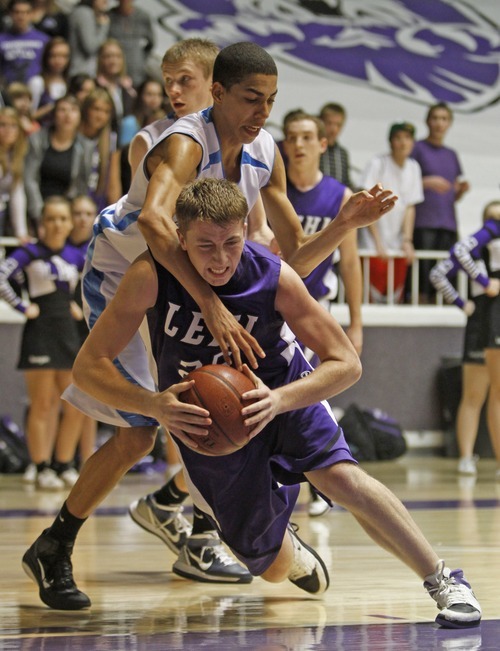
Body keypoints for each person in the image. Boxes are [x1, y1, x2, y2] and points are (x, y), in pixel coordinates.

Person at [24, 178, 482, 630]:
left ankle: (444, 580)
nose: (220, 259)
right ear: (180, 239)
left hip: (281, 390)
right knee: (267, 564)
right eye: (205, 246)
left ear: (246, 230)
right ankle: (284, 536)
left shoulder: (272, 274)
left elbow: (346, 363)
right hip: (207, 422)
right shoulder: (149, 277)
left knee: (340, 477)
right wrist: (155, 405)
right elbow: (89, 367)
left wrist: (279, 399)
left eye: (232, 243)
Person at [32, 40, 395, 596]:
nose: (263, 112)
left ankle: (182, 515)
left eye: (270, 100)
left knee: (216, 401)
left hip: (192, 285)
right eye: (254, 98)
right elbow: (155, 225)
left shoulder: (261, 150)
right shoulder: (180, 146)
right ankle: (77, 541)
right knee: (152, 424)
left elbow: (286, 263)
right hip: (126, 274)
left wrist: (345, 224)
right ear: (220, 94)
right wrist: (211, 304)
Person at [282, 112, 363, 517]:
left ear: (322, 144)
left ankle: (322, 481)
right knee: (295, 395)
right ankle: (321, 480)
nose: (298, 144)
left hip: (316, 310)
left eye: (306, 137)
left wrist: (356, 322)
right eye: (291, 136)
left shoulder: (339, 195)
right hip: (276, 308)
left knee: (310, 392)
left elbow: (350, 264)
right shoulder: (272, 191)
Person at [0, 196, 86, 489]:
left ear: (70, 223)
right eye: (51, 219)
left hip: (68, 331)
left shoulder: (77, 255)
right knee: (43, 403)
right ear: (41, 223)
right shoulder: (29, 252)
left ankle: (64, 464)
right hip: (40, 330)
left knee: (75, 404)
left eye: (63, 219)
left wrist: (81, 307)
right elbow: (1, 276)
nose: (57, 224)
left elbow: (94, 284)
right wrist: (23, 308)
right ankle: (41, 466)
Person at [430, 200, 500, 479]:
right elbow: (438, 273)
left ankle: (481, 460)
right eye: (493, 218)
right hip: (484, 319)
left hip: (488, 318)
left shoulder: (489, 251)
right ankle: (466, 458)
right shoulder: (479, 246)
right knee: (476, 395)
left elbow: (439, 274)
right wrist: (467, 299)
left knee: (491, 393)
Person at [359, 122, 424, 303]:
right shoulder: (378, 163)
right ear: (391, 142)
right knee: (370, 298)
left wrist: (407, 240)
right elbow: (367, 203)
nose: (403, 143)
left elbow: (410, 206)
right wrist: (377, 241)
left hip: (397, 245)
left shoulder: (414, 167)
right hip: (373, 244)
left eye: (407, 138)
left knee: (394, 298)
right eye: (398, 138)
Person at [411, 102, 469, 303]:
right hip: (423, 221)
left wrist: (459, 191)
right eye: (435, 118)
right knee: (422, 274)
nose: (439, 123)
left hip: (447, 222)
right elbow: (404, 181)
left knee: (446, 272)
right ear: (428, 121)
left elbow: (451, 192)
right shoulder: (417, 148)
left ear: (449, 123)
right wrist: (426, 182)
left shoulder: (451, 154)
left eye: (444, 119)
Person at [24, 94, 87, 229]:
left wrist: (67, 216)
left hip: (66, 214)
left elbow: (81, 186)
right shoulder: (36, 140)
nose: (68, 115)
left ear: (80, 116)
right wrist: (41, 215)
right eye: (62, 110)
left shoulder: (86, 146)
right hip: (34, 210)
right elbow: (29, 180)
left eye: (73, 110)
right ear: (54, 115)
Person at [0, 0, 50, 87]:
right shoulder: (1, 39)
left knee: (37, 82)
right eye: (17, 12)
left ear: (31, 14)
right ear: (10, 14)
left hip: (35, 87)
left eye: (25, 12)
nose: (21, 16)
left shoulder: (43, 40)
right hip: (8, 88)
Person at [108, 0, 155, 89]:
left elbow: (151, 43)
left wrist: (141, 59)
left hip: (136, 72)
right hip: (114, 72)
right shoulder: (110, 16)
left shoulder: (143, 17)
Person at [0, 106, 29, 241]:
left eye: (13, 126)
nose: (8, 130)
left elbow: (17, 194)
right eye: (3, 125)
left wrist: (21, 232)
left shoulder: (17, 156)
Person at [95, 38, 136, 133]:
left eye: (118, 56)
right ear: (100, 59)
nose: (113, 61)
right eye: (108, 56)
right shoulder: (94, 86)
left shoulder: (128, 87)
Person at [29, 35, 71, 126]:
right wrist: (52, 108)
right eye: (54, 56)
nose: (58, 61)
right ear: (46, 57)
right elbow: (29, 117)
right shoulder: (37, 82)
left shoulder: (70, 83)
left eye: (64, 56)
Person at [67, 0, 109, 78]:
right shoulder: (84, 13)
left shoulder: (83, 12)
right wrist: (103, 26)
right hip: (81, 72)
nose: (106, 1)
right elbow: (90, 47)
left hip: (85, 71)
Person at [318, 102, 354, 189]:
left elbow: (346, 182)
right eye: (329, 123)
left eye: (338, 125)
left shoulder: (342, 153)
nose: (333, 129)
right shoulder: (312, 149)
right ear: (320, 122)